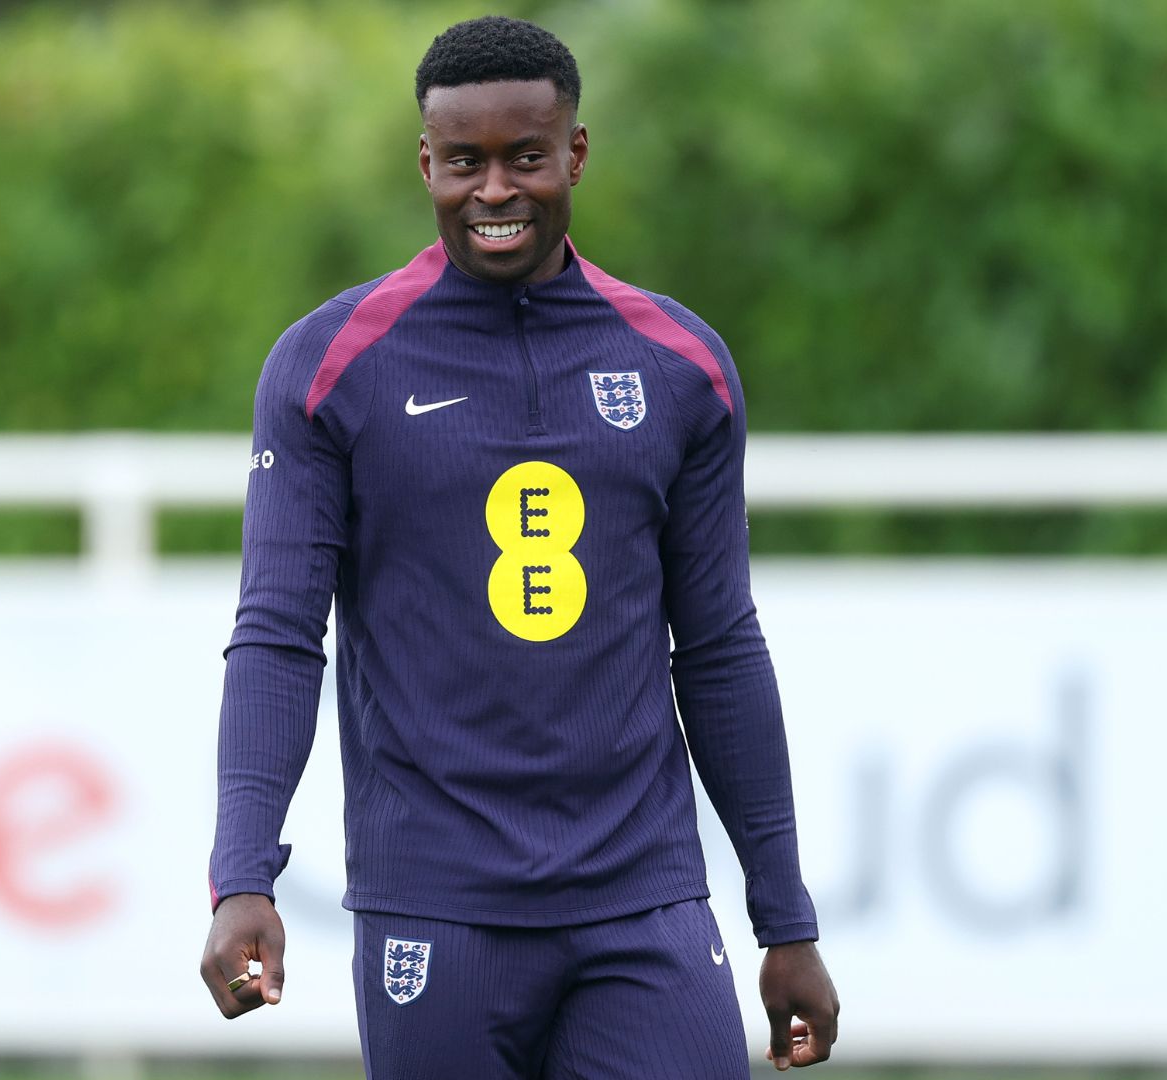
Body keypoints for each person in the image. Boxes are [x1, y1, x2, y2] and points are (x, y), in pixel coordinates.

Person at [199, 15, 839, 1078]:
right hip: (435, 910)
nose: (494, 191)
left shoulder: (682, 365)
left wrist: (786, 918)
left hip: (644, 903)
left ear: (574, 154)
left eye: (525, 159)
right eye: (464, 163)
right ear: (426, 163)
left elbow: (720, 646)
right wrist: (241, 878)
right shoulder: (328, 365)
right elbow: (275, 636)